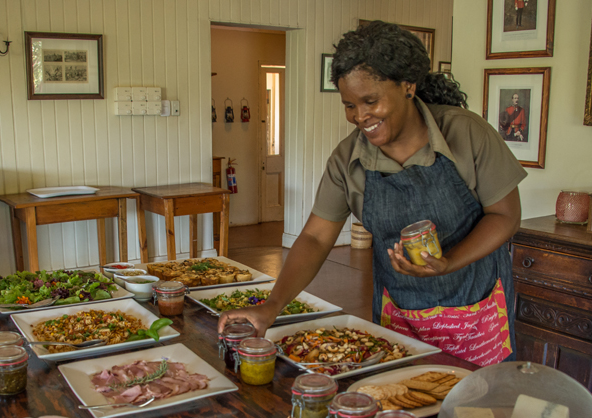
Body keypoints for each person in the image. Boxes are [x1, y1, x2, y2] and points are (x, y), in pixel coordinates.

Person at [217, 21, 526, 366]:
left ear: (408, 86)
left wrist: (448, 263)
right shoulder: (348, 158)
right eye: (349, 105)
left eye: (370, 101)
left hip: (475, 307)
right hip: (400, 312)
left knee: (471, 410)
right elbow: (317, 238)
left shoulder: (466, 134)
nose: (360, 116)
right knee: (399, 403)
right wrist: (271, 306)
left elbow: (505, 215)